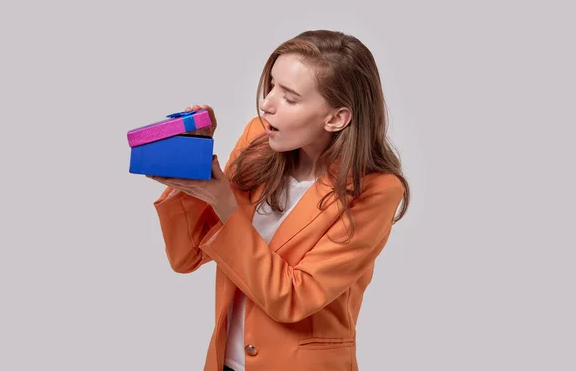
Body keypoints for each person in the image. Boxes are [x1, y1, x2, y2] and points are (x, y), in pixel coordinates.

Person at [147, 30, 410, 371]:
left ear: (336, 118)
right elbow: (187, 256)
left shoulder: (376, 191)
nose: (267, 103)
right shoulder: (259, 141)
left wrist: (226, 204)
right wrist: (193, 164)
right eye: (271, 85)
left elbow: (292, 298)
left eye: (289, 97)